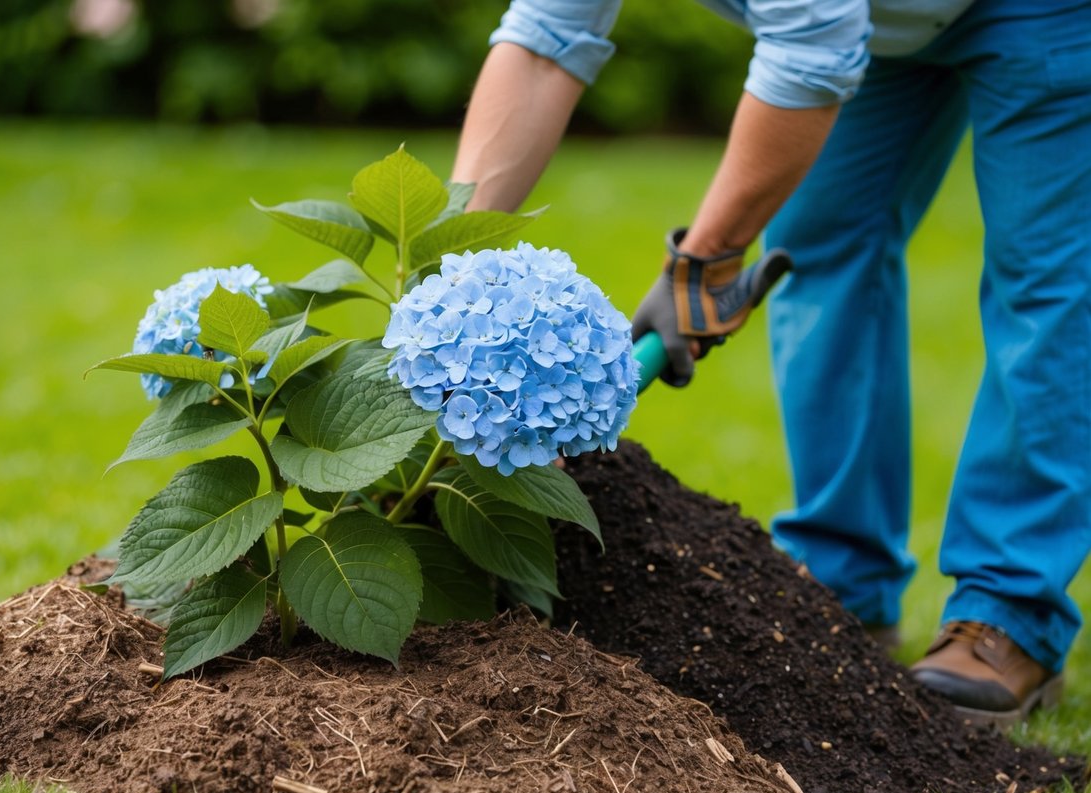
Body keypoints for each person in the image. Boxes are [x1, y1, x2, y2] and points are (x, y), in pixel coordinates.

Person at [451, 0, 1091, 727]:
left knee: (1047, 285)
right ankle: (841, 580)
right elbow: (543, 42)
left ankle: (1009, 610)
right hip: (867, 22)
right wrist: (446, 283)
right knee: (816, 256)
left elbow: (811, 51)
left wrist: (703, 261)